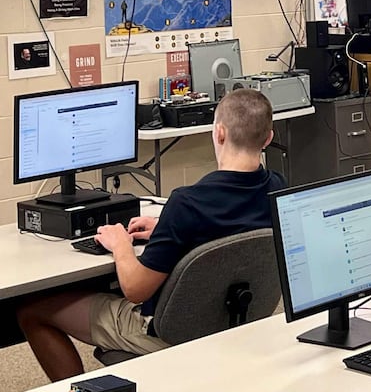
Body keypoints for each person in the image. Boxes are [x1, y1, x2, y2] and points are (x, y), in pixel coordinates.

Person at [17, 88, 286, 382]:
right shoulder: (278, 188)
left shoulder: (187, 203)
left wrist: (120, 245)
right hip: (235, 321)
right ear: (268, 138)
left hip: (166, 331)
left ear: (218, 133)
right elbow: (231, 233)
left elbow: (135, 289)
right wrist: (166, 229)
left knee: (32, 310)